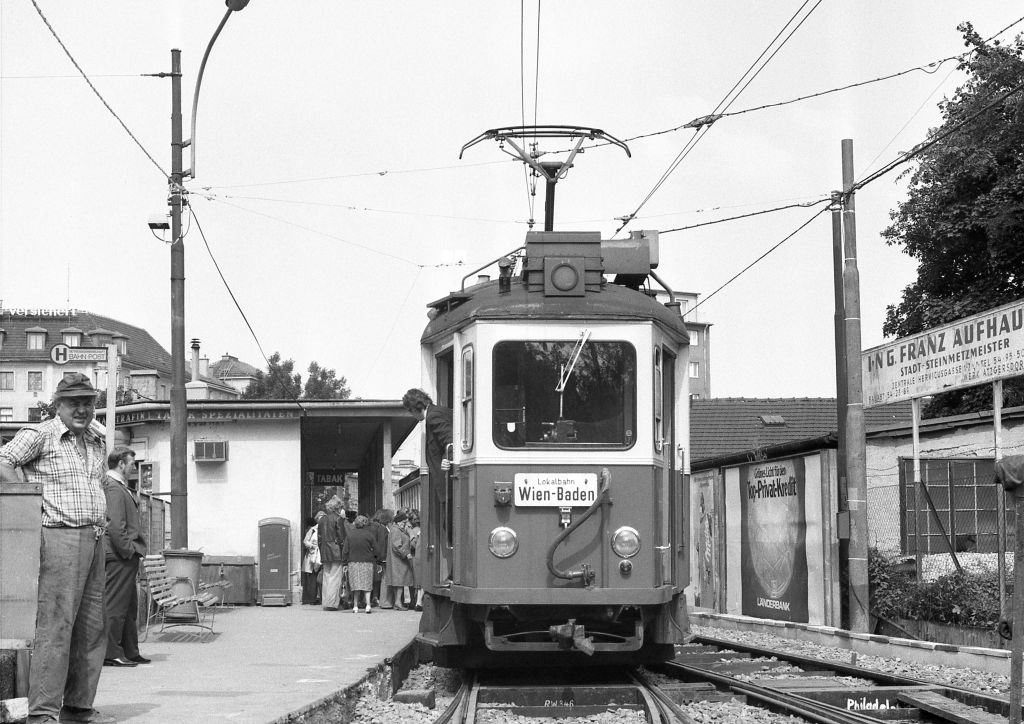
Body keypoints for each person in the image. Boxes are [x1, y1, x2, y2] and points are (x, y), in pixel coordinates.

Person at [0, 372, 115, 724]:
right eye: (74, 403)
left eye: (88, 402)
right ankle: (43, 712)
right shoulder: (41, 433)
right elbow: (4, 463)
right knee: (56, 628)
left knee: (93, 628)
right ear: (58, 406)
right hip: (58, 536)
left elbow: (97, 482)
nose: (82, 409)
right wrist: (29, 501)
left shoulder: (96, 439)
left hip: (95, 538)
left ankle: (78, 706)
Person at [101, 445, 148, 668]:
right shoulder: (112, 487)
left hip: (125, 556)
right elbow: (115, 525)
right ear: (121, 463)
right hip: (121, 556)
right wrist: (129, 551)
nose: (133, 468)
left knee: (129, 608)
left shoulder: (118, 487)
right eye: (131, 464)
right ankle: (111, 653)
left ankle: (129, 650)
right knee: (116, 607)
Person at [402, 389, 453, 578]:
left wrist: (448, 460)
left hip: (447, 483)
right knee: (450, 526)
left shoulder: (433, 417)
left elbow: (449, 441)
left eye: (411, 411)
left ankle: (455, 572)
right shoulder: (440, 412)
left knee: (451, 527)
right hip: (446, 484)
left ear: (417, 408)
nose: (413, 416)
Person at [341, 515, 378, 614]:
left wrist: (344, 562)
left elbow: (345, 550)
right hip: (367, 562)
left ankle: (355, 606)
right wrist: (376, 559)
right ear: (365, 523)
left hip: (353, 562)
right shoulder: (369, 535)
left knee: (355, 585)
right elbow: (376, 549)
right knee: (367, 585)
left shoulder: (350, 535)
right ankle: (368, 605)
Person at [318, 496, 347, 611]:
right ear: (338, 507)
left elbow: (319, 537)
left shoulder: (322, 520)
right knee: (335, 577)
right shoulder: (338, 519)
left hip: (325, 550)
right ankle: (332, 603)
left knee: (326, 576)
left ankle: (326, 602)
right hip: (336, 551)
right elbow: (342, 538)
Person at [385, 509, 415, 610]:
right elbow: (396, 545)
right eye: (403, 522)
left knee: (398, 581)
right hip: (398, 560)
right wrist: (406, 554)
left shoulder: (395, 529)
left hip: (396, 560)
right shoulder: (396, 530)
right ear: (398, 522)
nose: (404, 524)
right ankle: (398, 602)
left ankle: (397, 602)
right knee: (400, 581)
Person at [371, 509, 394, 608]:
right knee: (384, 579)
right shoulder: (382, 529)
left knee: (380, 579)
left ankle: (379, 599)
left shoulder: (378, 527)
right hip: (383, 558)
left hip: (378, 557)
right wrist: (382, 558)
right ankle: (384, 601)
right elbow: (381, 544)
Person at [301, 512, 324, 605]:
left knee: (322, 578)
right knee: (312, 578)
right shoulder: (313, 530)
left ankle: (322, 598)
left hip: (322, 556)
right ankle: (311, 599)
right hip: (312, 557)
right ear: (317, 519)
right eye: (320, 518)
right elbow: (305, 541)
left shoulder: (326, 529)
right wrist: (312, 546)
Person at [408, 509, 423, 611]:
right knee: (419, 579)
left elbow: (413, 545)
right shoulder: (420, 530)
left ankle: (415, 601)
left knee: (415, 580)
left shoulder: (413, 530)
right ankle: (418, 601)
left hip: (414, 557)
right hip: (417, 557)